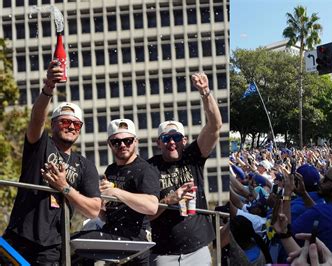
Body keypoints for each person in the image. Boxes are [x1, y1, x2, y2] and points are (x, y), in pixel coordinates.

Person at [2, 60, 102, 264]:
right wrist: (48, 87)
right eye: (65, 121)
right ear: (53, 125)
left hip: (52, 246)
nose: (71, 127)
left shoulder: (85, 165)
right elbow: (36, 119)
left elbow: (93, 209)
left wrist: (64, 188)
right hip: (18, 236)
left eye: (76, 124)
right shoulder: (40, 145)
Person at [147, 72, 222, 265]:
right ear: (159, 143)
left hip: (197, 249)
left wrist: (205, 92)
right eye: (166, 138)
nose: (172, 142)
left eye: (177, 138)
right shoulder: (150, 167)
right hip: (163, 254)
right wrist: (171, 199)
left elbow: (215, 126)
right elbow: (146, 212)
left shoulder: (192, 156)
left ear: (184, 141)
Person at [72, 119, 160, 265]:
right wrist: (95, 202)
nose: (122, 145)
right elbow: (107, 216)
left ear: (136, 141)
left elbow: (152, 206)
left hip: (134, 239)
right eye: (116, 142)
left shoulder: (144, 170)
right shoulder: (111, 170)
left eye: (128, 140)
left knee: (73, 243)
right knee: (76, 249)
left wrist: (116, 192)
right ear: (109, 144)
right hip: (111, 233)